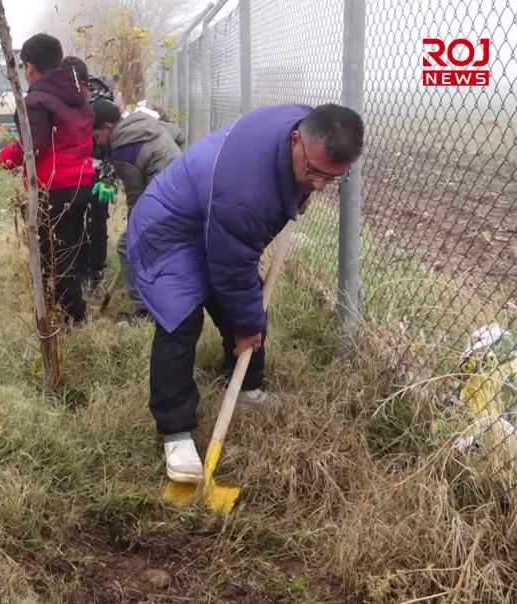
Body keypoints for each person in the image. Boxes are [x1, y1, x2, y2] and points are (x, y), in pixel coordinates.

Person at [127, 103, 364, 482]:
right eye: (315, 173)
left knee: (246, 304)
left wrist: (299, 191)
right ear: (296, 140)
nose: (320, 185)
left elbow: (235, 267)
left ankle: (248, 390)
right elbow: (231, 266)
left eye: (333, 178)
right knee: (181, 322)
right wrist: (246, 327)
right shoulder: (246, 192)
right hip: (170, 229)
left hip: (215, 214)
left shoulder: (305, 121)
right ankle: (176, 431)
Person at [0, 34, 94, 324]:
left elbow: (32, 148)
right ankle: (74, 309)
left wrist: (2, 158)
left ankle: (71, 319)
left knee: (54, 259)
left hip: (53, 189)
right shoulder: (77, 94)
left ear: (29, 67)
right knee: (70, 250)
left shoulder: (37, 100)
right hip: (82, 183)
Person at [91, 99, 182, 317]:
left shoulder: (122, 147)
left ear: (107, 128)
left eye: (96, 137)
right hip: (182, 187)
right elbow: (178, 134)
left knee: (127, 245)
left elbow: (136, 198)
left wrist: (134, 231)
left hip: (167, 198)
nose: (97, 143)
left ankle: (144, 309)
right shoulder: (139, 121)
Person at [60, 55, 115, 294]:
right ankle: (78, 267)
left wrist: (108, 179)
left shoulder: (102, 100)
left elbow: (114, 143)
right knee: (74, 218)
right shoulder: (60, 101)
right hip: (73, 171)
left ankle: (96, 269)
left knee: (97, 219)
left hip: (100, 170)